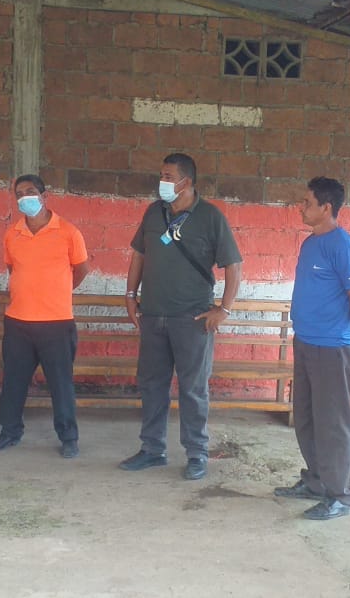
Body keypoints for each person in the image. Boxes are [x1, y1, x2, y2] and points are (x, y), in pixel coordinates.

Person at [118, 153, 242, 481]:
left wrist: (224, 309)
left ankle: (197, 454)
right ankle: (152, 449)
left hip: (193, 320)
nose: (162, 182)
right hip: (153, 315)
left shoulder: (210, 217)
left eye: (168, 176)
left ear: (186, 182)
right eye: (162, 175)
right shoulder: (153, 212)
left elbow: (233, 265)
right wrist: (130, 295)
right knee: (152, 385)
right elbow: (139, 255)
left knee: (193, 389)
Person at [272, 177, 350, 521]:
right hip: (306, 342)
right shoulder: (311, 243)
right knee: (306, 418)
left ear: (326, 208)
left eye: (307, 202)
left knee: (333, 424)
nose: (301, 207)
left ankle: (340, 494)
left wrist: (348, 334)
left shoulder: (343, 245)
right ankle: (316, 481)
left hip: (332, 349)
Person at [0, 174, 89, 458]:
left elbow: (81, 269)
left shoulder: (68, 232)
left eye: (30, 192)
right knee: (14, 382)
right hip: (18, 321)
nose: (24, 198)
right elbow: (13, 269)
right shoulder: (12, 234)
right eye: (19, 194)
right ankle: (9, 432)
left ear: (45, 196)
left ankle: (69, 437)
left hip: (57, 323)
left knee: (61, 384)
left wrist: (57, 291)